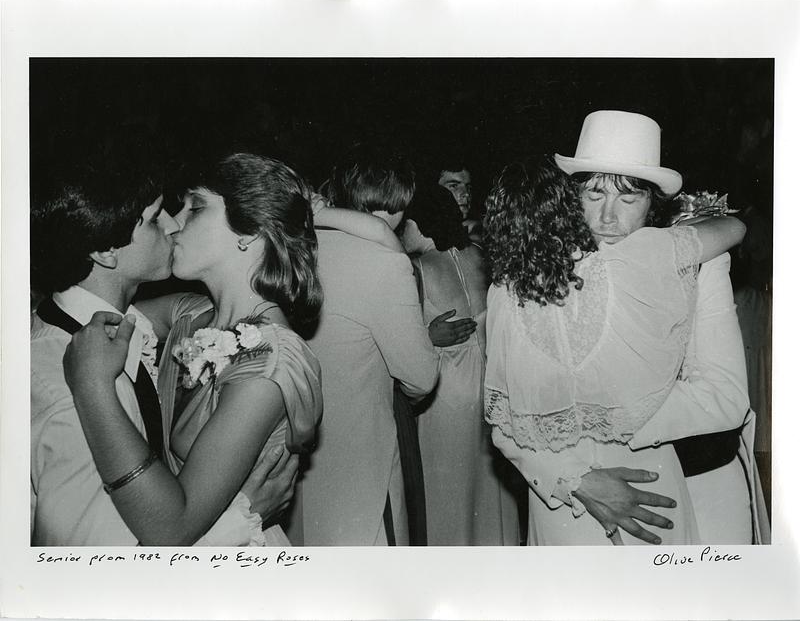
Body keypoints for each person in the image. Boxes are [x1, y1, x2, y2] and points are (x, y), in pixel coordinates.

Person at [31, 153, 297, 545]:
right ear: (106, 250)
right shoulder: (75, 396)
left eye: (194, 209)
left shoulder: (120, 328)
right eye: (156, 217)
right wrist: (238, 521)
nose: (173, 224)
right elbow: (92, 578)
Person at [484, 152, 745, 545]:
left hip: (649, 492)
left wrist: (616, 419)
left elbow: (726, 398)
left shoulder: (696, 265)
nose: (608, 218)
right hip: (561, 508)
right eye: (593, 195)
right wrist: (577, 480)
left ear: (653, 204)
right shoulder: (523, 281)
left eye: (627, 199)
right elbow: (505, 422)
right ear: (570, 198)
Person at [291, 146, 439, 545]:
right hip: (362, 456)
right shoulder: (384, 262)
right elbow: (421, 377)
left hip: (297, 454)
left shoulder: (294, 250)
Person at [402, 184, 520, 545]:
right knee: (487, 487)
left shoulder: (417, 269)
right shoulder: (481, 256)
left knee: (447, 490)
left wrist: (427, 335)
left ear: (417, 223)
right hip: (489, 383)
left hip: (445, 394)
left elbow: (403, 342)